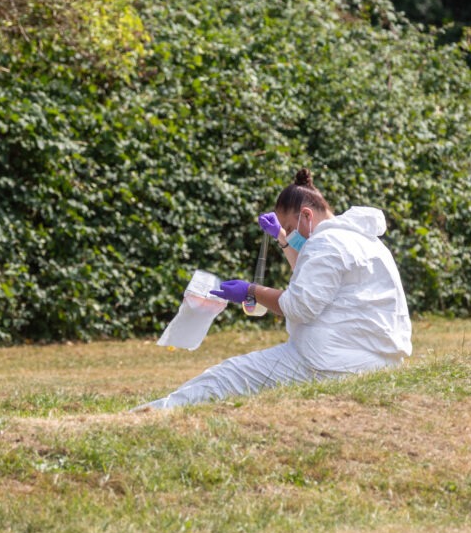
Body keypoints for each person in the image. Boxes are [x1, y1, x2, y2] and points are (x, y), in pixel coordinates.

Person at [134, 168, 412, 410]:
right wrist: (281, 237)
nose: (292, 235)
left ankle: (148, 416)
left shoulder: (326, 244)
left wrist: (251, 290)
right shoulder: (365, 242)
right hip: (375, 361)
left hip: (332, 363)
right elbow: (314, 282)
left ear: (306, 215)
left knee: (225, 377)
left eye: (291, 227)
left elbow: (300, 307)